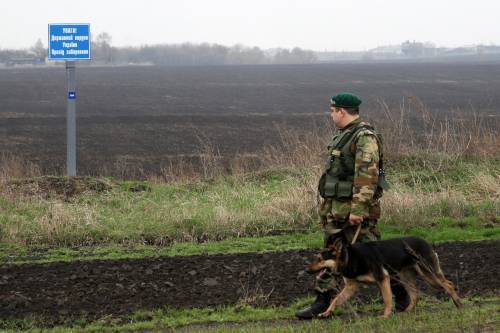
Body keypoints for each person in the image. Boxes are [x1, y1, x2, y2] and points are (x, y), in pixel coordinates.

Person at [295, 92, 408, 319]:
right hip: (337, 212)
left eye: (332, 110)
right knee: (330, 254)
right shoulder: (344, 135)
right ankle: (322, 300)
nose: (331, 114)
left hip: (355, 215)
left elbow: (367, 176)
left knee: (375, 257)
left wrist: (358, 210)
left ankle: (401, 296)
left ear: (342, 111)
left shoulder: (363, 137)